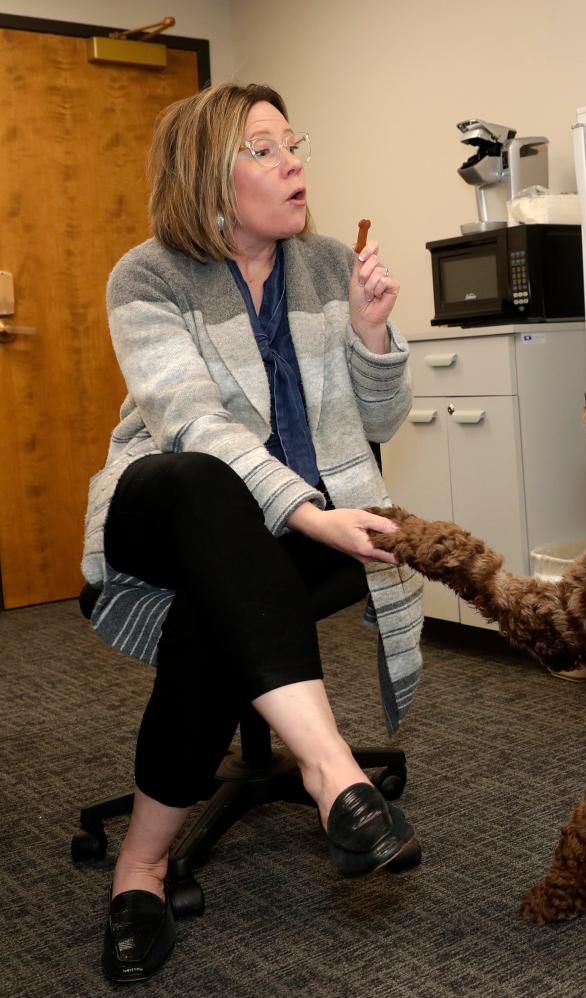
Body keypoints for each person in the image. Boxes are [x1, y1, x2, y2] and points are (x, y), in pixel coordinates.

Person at [81, 82, 424, 983]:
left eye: (292, 142)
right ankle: (330, 772)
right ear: (207, 176)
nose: (294, 162)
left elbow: (379, 424)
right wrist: (311, 513)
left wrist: (373, 336)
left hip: (285, 540)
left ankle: (141, 867)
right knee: (206, 487)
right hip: (166, 507)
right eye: (264, 149)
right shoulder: (148, 275)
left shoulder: (319, 266)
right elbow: (195, 424)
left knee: (215, 614)